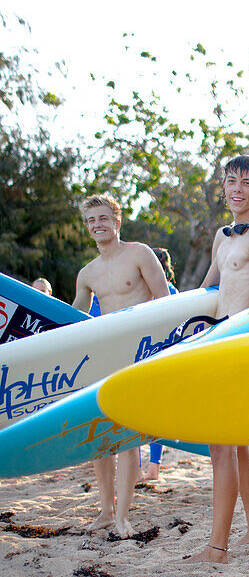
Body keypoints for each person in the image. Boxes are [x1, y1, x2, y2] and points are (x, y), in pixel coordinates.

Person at [184, 154, 249, 563]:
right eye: (230, 182)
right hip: (216, 343)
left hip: (241, 347)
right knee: (235, 447)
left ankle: (216, 547)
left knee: (221, 445)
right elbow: (207, 292)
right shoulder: (222, 237)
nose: (236, 189)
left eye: (246, 182)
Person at [73, 193, 170, 537]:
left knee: (128, 436)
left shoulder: (139, 253)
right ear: (87, 228)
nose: (97, 225)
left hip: (140, 354)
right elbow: (73, 320)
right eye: (91, 221)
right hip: (106, 357)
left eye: (103, 218)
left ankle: (124, 516)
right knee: (101, 435)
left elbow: (165, 302)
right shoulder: (87, 274)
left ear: (116, 221)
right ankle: (105, 510)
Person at [142, 249, 179, 481]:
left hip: (149, 356)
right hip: (164, 357)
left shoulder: (148, 291)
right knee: (156, 415)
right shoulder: (173, 292)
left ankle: (146, 468)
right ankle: (153, 467)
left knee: (141, 414)